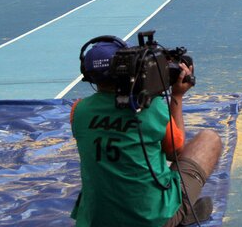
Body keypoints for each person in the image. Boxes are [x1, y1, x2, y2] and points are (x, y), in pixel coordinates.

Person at [72, 36, 222, 227]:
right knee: (209, 140)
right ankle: (178, 214)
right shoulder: (152, 108)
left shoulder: (78, 110)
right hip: (150, 219)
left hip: (96, 220)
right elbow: (175, 152)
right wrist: (176, 95)